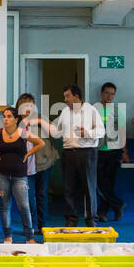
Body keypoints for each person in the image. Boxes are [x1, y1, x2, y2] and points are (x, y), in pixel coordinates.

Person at [52, 85, 104, 225]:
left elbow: (101, 131)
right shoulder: (64, 112)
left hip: (87, 152)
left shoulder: (91, 110)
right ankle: (71, 218)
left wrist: (86, 132)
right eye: (64, 97)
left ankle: (91, 219)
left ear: (76, 96)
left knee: (89, 187)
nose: (65, 99)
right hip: (69, 152)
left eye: (67, 96)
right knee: (69, 187)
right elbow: (57, 132)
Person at [0, 106, 44, 243]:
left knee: (24, 207)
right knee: (4, 206)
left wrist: (28, 154)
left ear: (16, 119)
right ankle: (8, 236)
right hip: (1, 175)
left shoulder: (23, 133)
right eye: (4, 116)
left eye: (9, 116)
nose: (5, 119)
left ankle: (29, 237)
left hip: (20, 176)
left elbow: (40, 143)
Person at [18, 93, 57, 231]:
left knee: (41, 194)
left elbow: (55, 133)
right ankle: (31, 225)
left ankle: (42, 225)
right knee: (28, 197)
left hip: (44, 164)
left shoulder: (41, 118)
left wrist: (40, 121)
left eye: (32, 105)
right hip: (25, 166)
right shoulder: (17, 123)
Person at [95, 82, 129, 221]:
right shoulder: (94, 109)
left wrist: (124, 151)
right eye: (107, 93)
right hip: (97, 150)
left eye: (112, 94)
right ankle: (118, 204)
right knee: (100, 183)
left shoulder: (116, 110)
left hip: (114, 151)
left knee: (109, 183)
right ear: (102, 93)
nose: (109, 96)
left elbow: (122, 131)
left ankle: (102, 213)